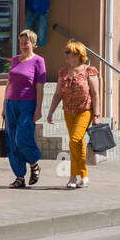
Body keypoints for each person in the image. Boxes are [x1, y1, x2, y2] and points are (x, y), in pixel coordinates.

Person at [47, 41, 99, 189]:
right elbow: (57, 94)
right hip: (68, 111)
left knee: (75, 140)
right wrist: (50, 111)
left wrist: (96, 115)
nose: (66, 55)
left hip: (85, 110)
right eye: (66, 52)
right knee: (78, 144)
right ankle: (83, 176)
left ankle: (73, 176)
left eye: (69, 53)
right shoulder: (63, 72)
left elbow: (95, 94)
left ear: (78, 55)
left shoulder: (89, 71)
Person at [2, 29, 46, 189]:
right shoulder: (15, 60)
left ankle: (34, 164)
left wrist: (39, 109)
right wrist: (3, 105)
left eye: (26, 43)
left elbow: (40, 87)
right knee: (12, 141)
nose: (23, 46)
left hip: (28, 104)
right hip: (10, 103)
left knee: (22, 138)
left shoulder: (38, 61)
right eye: (21, 43)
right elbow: (9, 83)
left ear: (33, 44)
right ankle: (19, 176)